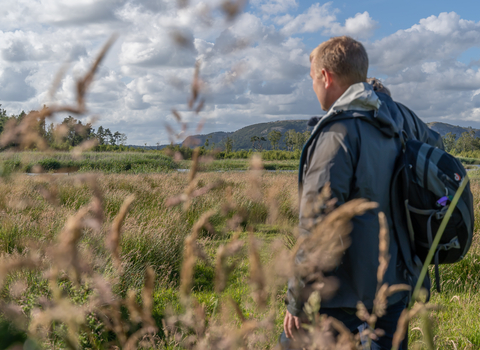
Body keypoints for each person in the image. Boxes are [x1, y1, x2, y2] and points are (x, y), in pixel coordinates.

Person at [281, 36, 443, 350]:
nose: (314, 87)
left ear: (326, 77)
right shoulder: (396, 120)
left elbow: (317, 227)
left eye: (313, 78)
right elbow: (436, 151)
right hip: (396, 285)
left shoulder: (337, 133)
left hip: (343, 297)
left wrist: (297, 300)